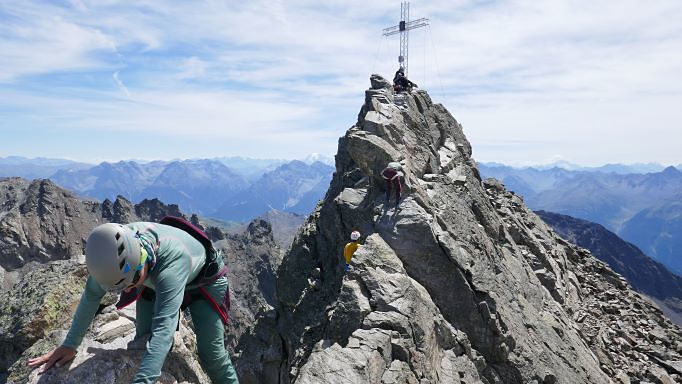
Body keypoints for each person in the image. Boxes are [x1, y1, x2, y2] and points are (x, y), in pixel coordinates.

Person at [27, 222, 240, 384]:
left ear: (141, 261)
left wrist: (143, 381)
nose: (128, 290)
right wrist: (70, 344)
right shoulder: (111, 256)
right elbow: (91, 296)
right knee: (141, 344)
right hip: (153, 279)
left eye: (132, 283)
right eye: (121, 287)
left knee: (212, 355)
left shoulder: (169, 267)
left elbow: (163, 330)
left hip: (205, 283)